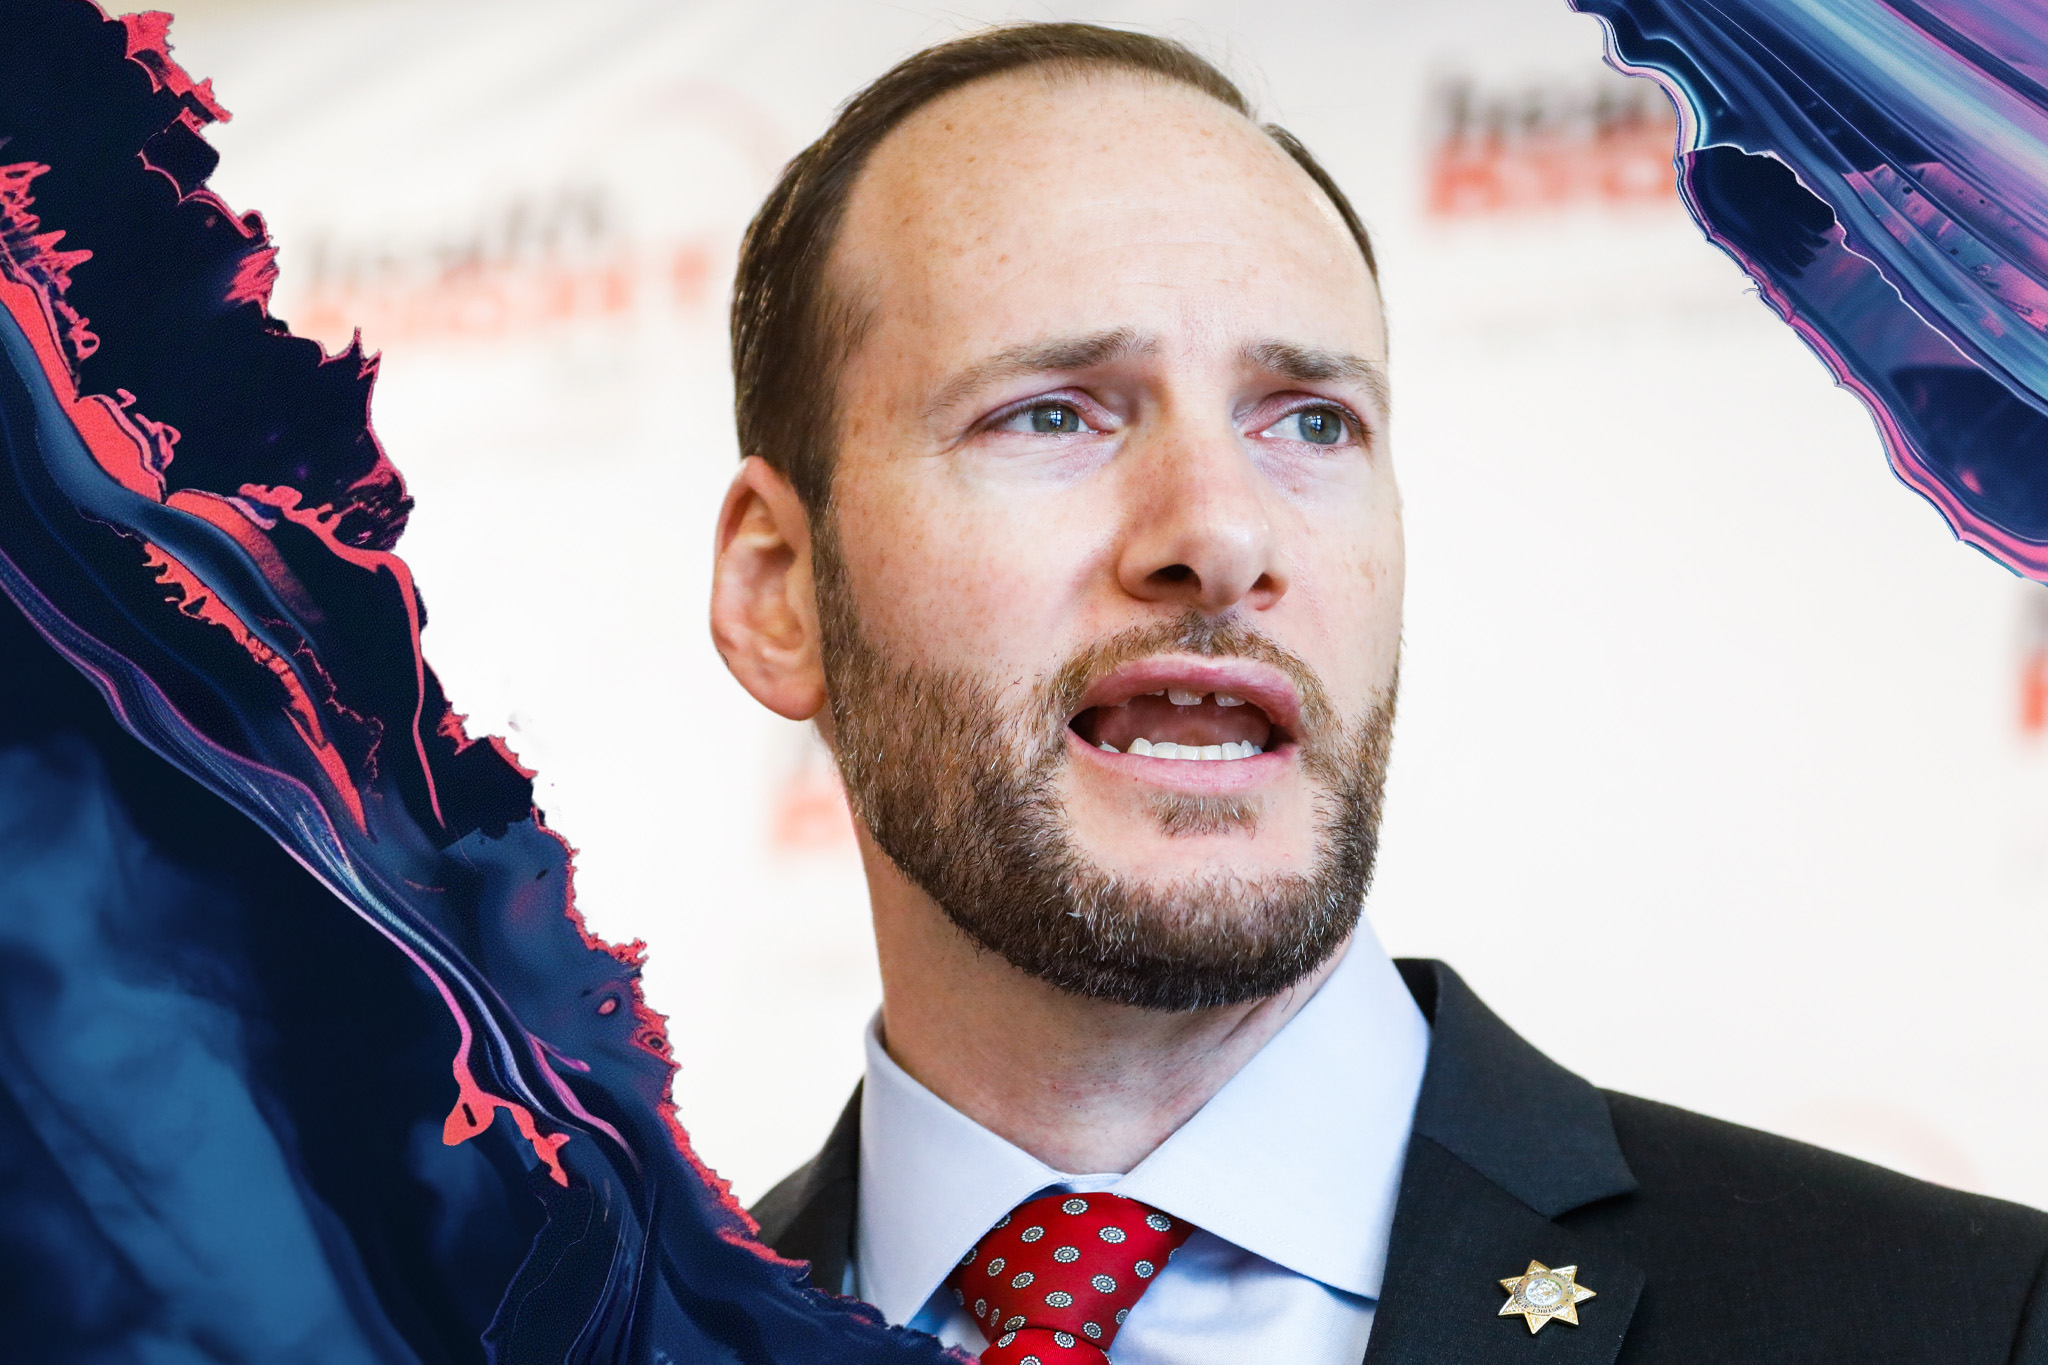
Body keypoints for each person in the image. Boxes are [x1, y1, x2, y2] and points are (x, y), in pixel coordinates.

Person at [709, 22, 2048, 1364]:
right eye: (1054, 412)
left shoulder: (1964, 1322)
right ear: (779, 588)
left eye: (1308, 419)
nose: (1221, 533)